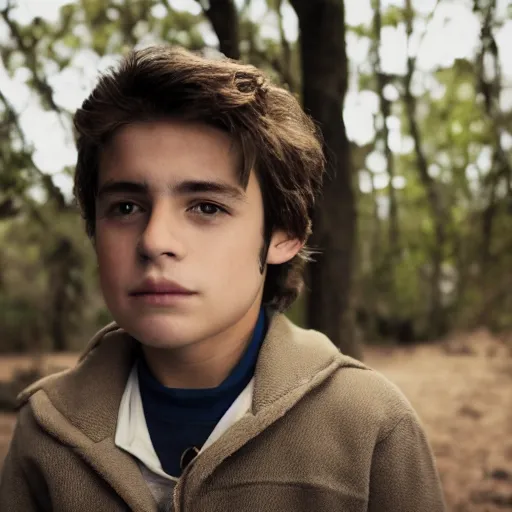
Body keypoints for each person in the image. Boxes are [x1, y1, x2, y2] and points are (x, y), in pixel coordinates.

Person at [0, 45, 446, 512]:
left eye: (206, 207)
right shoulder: (46, 430)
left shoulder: (371, 426)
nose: (154, 240)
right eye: (126, 207)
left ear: (284, 233)